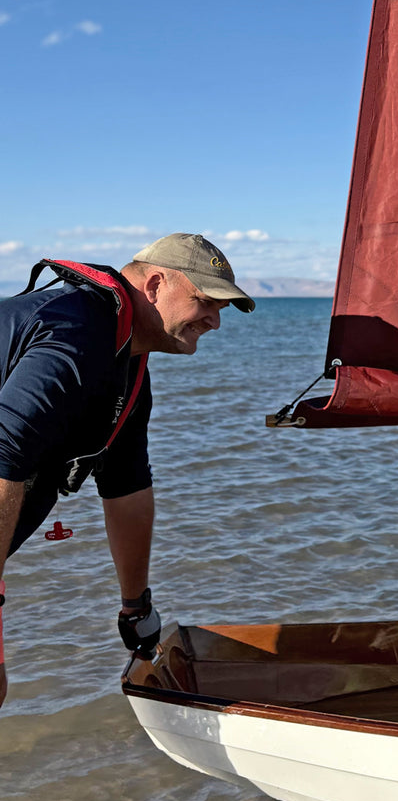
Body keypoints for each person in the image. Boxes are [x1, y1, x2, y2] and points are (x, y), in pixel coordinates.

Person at [0, 233, 255, 708]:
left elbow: (127, 489)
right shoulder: (77, 331)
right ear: (156, 283)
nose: (216, 322)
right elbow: (2, 455)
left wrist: (136, 606)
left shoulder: (126, 366)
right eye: (206, 301)